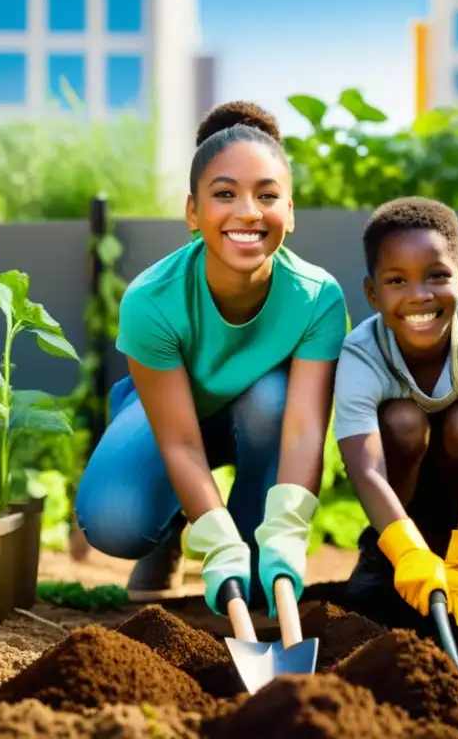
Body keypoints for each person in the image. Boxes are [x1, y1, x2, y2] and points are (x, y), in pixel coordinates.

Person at [74, 101, 348, 616]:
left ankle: (253, 546)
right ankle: (173, 533)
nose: (247, 211)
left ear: (289, 210)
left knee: (271, 398)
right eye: (225, 194)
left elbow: (305, 428)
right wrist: (213, 539)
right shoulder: (151, 299)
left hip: (261, 420)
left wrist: (287, 530)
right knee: (114, 518)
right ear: (193, 213)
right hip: (169, 420)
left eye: (266, 195)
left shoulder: (318, 298)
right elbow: (178, 439)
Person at [333, 196, 458, 626]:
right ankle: (385, 552)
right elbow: (364, 469)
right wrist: (407, 551)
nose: (419, 295)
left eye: (436, 276)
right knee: (403, 421)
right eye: (396, 281)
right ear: (372, 293)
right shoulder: (361, 353)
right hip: (397, 477)